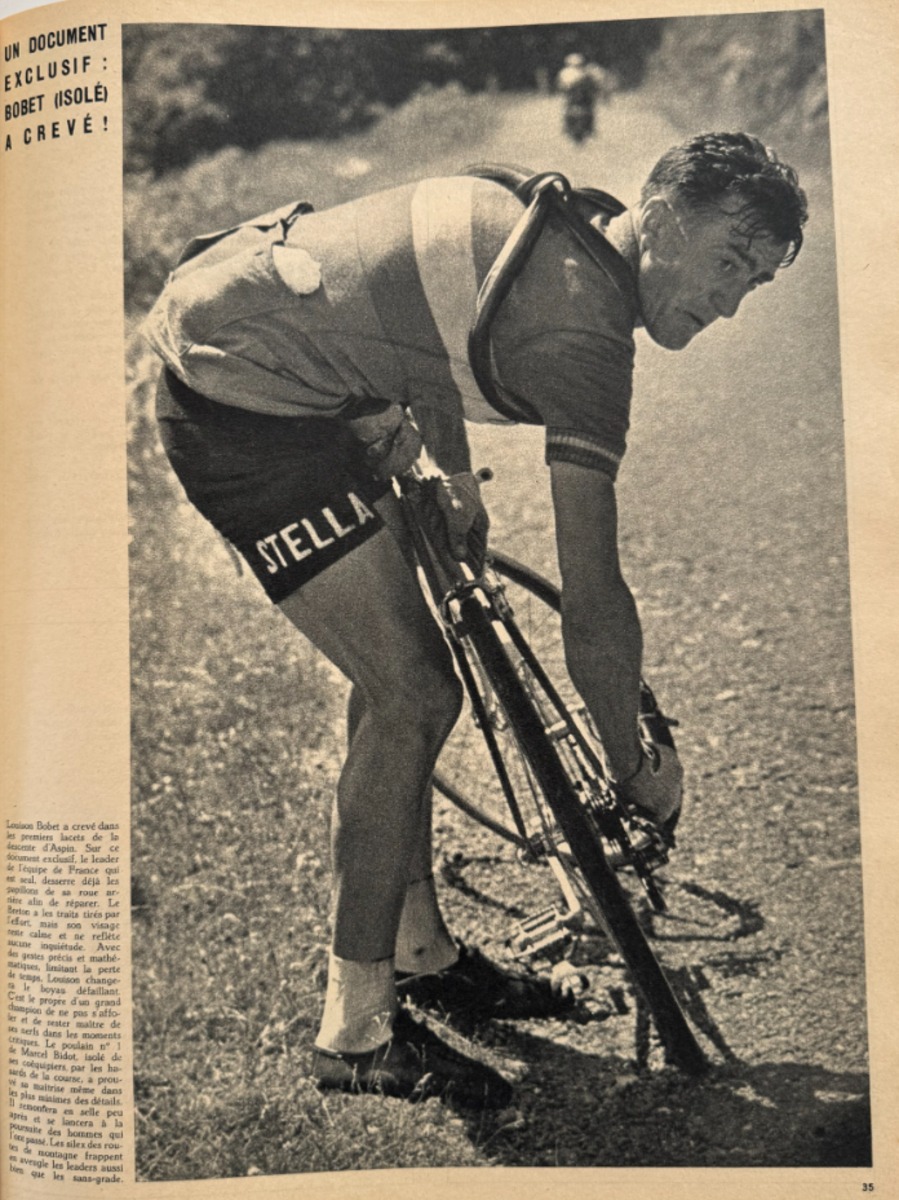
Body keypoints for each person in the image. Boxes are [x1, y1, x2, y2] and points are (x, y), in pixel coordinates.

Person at [143, 132, 807, 1109]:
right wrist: (635, 771)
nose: (725, 304)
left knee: (399, 684)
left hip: (295, 362)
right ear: (660, 215)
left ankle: (418, 952)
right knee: (410, 693)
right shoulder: (585, 341)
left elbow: (426, 324)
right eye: (723, 263)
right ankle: (354, 1035)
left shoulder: (552, 210)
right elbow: (592, 604)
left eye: (750, 283)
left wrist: (453, 478)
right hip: (235, 399)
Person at [556, 52, 611, 143]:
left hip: (576, 98)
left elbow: (561, 86)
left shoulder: (565, 72)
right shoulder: (586, 73)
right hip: (579, 98)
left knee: (569, 109)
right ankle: (589, 128)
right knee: (585, 109)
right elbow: (593, 86)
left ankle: (568, 127)